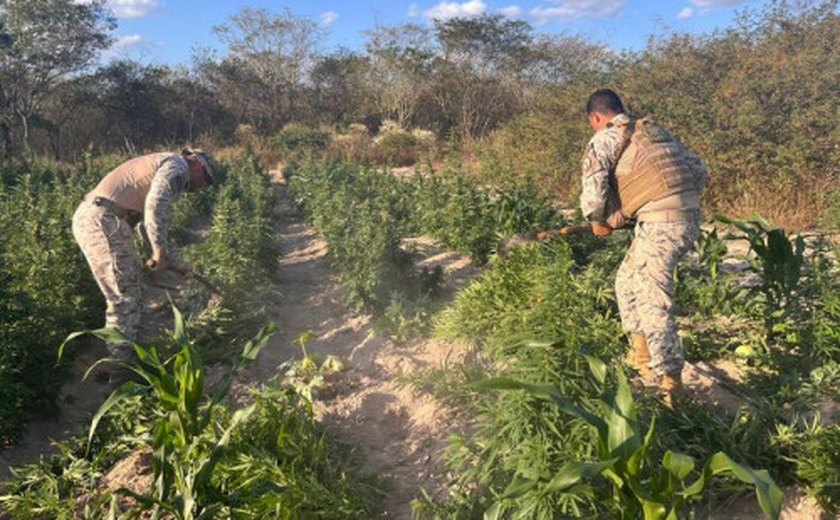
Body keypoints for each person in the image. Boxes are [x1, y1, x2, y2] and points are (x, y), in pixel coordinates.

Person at [579, 89, 708, 406]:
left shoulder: (604, 139)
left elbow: (595, 191)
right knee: (627, 279)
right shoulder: (654, 132)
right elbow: (700, 171)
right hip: (685, 217)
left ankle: (671, 385)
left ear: (597, 117)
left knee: (652, 298)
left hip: (663, 224)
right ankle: (640, 355)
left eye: (592, 123)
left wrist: (598, 220)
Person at [72, 148, 216, 360]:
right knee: (124, 297)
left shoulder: (168, 165)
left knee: (132, 290)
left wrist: (177, 262)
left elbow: (146, 227)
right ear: (197, 163)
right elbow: (155, 208)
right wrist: (159, 252)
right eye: (206, 178)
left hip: (109, 221)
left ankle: (128, 353)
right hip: (103, 221)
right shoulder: (177, 167)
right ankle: (120, 368)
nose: (203, 185)